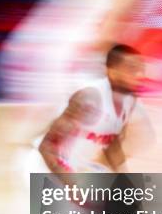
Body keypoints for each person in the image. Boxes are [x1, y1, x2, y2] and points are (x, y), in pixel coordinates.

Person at [38, 44, 154, 176]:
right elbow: (46, 147)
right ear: (113, 71)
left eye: (141, 68)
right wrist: (71, 184)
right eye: (132, 69)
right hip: (48, 168)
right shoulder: (89, 98)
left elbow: (112, 146)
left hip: (82, 171)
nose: (139, 75)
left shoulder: (130, 101)